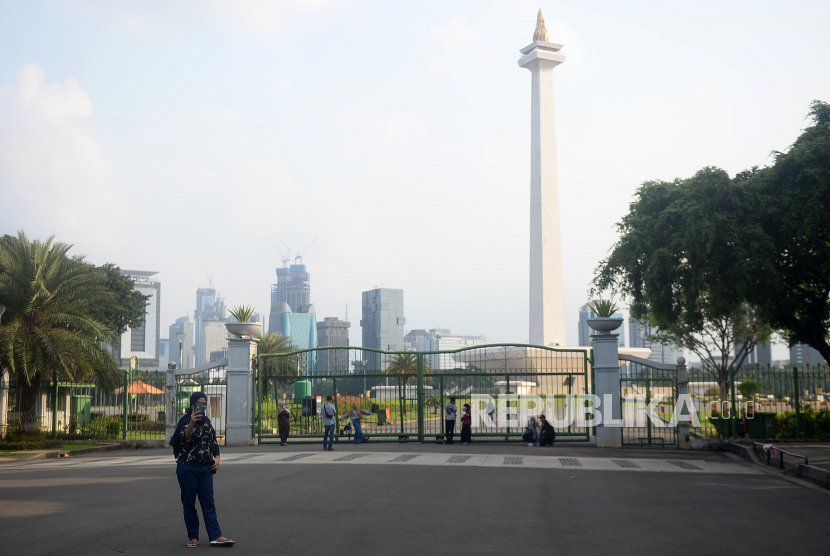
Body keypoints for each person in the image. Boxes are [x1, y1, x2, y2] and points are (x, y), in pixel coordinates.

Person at [170, 391, 234, 548]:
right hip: (188, 468)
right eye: (199, 403)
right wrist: (192, 423)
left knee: (209, 503)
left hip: (206, 469)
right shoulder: (185, 421)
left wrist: (217, 458)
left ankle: (216, 536)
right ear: (192, 404)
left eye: (205, 404)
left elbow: (213, 443)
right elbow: (184, 439)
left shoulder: (206, 422)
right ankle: (193, 537)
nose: (202, 407)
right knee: (189, 503)